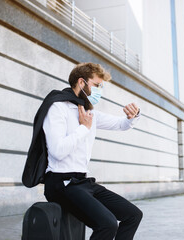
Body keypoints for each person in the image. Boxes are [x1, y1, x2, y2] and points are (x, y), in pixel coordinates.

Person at [42, 62, 143, 240]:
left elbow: (121, 124)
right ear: (81, 82)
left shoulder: (89, 113)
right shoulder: (58, 108)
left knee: (133, 215)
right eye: (96, 85)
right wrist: (83, 128)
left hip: (82, 182)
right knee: (107, 224)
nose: (99, 91)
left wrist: (133, 116)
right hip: (61, 183)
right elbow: (57, 150)